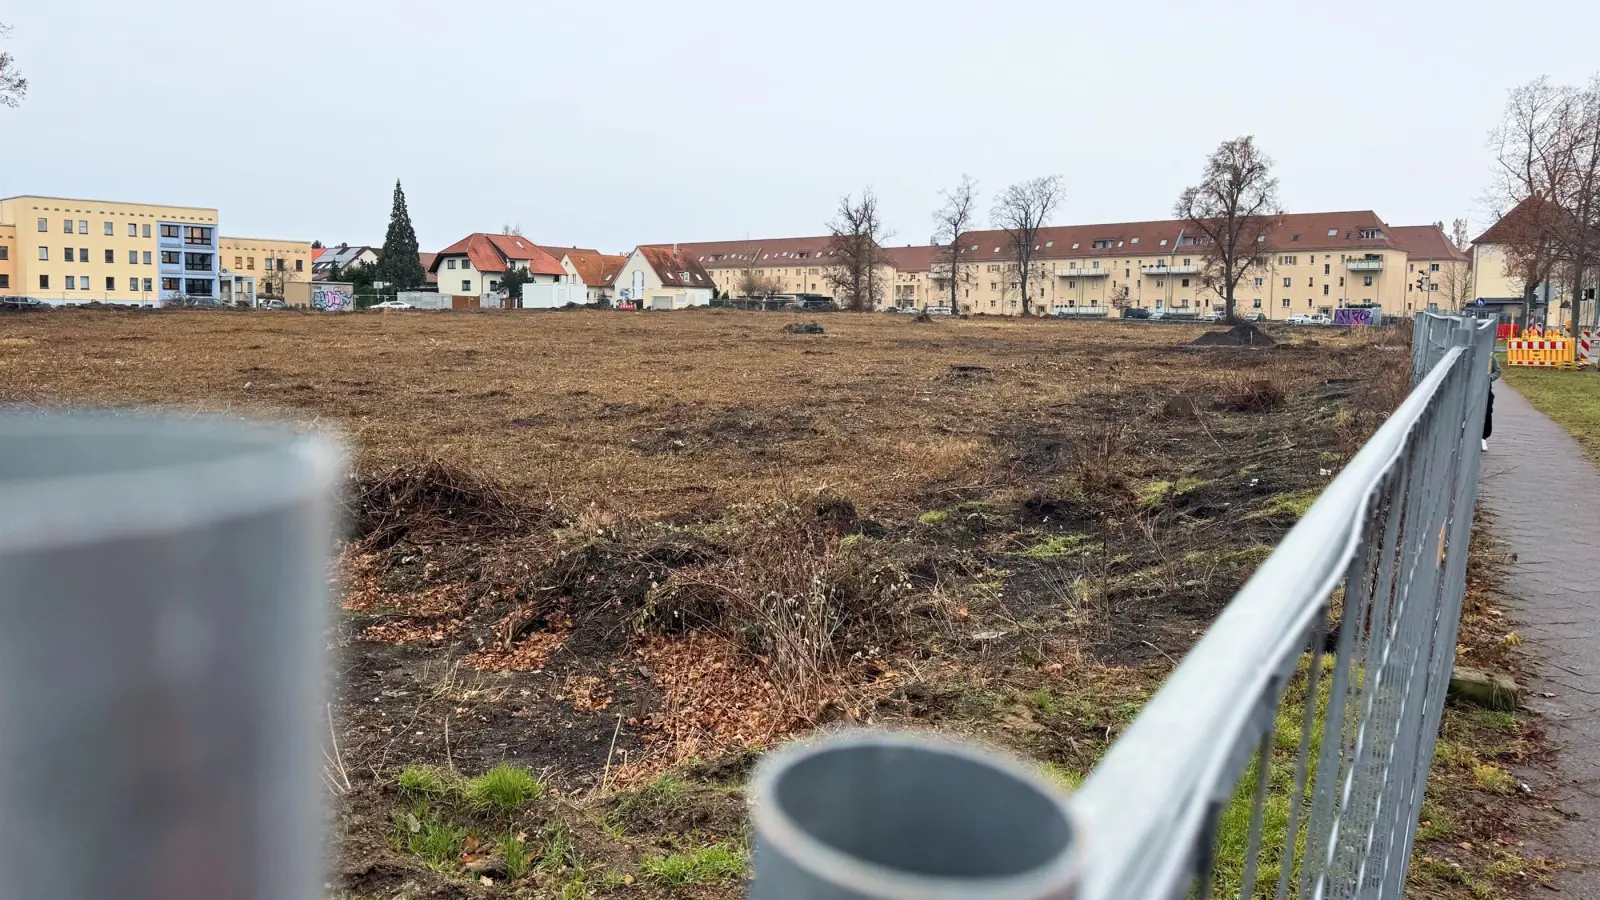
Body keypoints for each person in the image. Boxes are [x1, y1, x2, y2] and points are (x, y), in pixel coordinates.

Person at [1483, 354, 1500, 452]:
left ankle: (1483, 437)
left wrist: (1489, 378)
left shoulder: (1489, 354)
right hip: (1464, 387)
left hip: (1484, 387)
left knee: (1487, 410)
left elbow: (1497, 370)